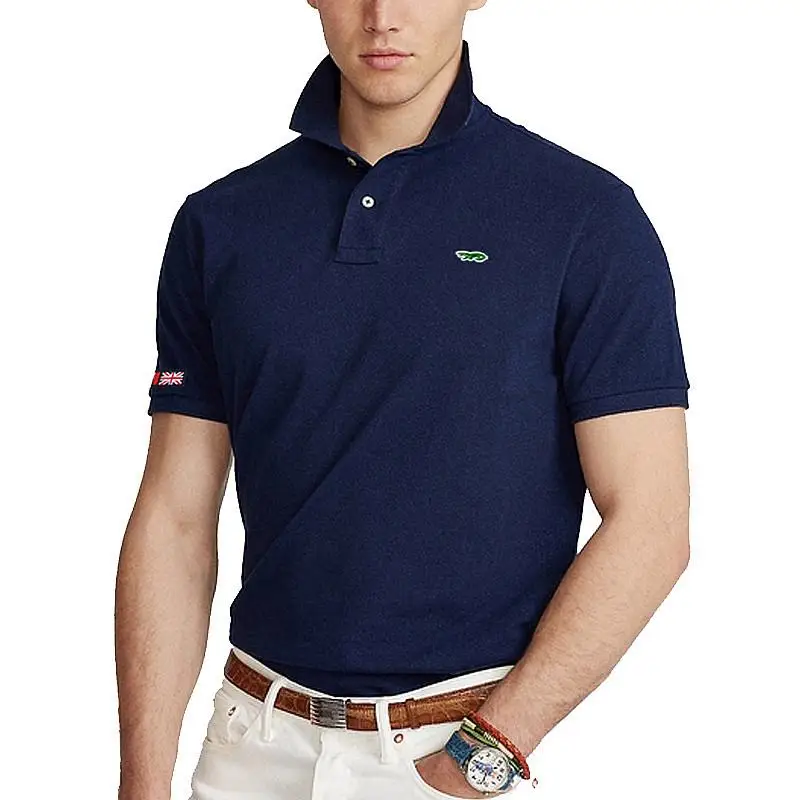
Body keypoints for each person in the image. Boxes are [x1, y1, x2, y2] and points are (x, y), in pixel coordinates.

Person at [115, 2, 692, 799]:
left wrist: (485, 754)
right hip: (251, 741)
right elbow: (175, 518)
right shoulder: (222, 223)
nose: (382, 16)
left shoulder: (584, 217)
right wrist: (143, 784)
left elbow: (652, 523)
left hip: (455, 744)